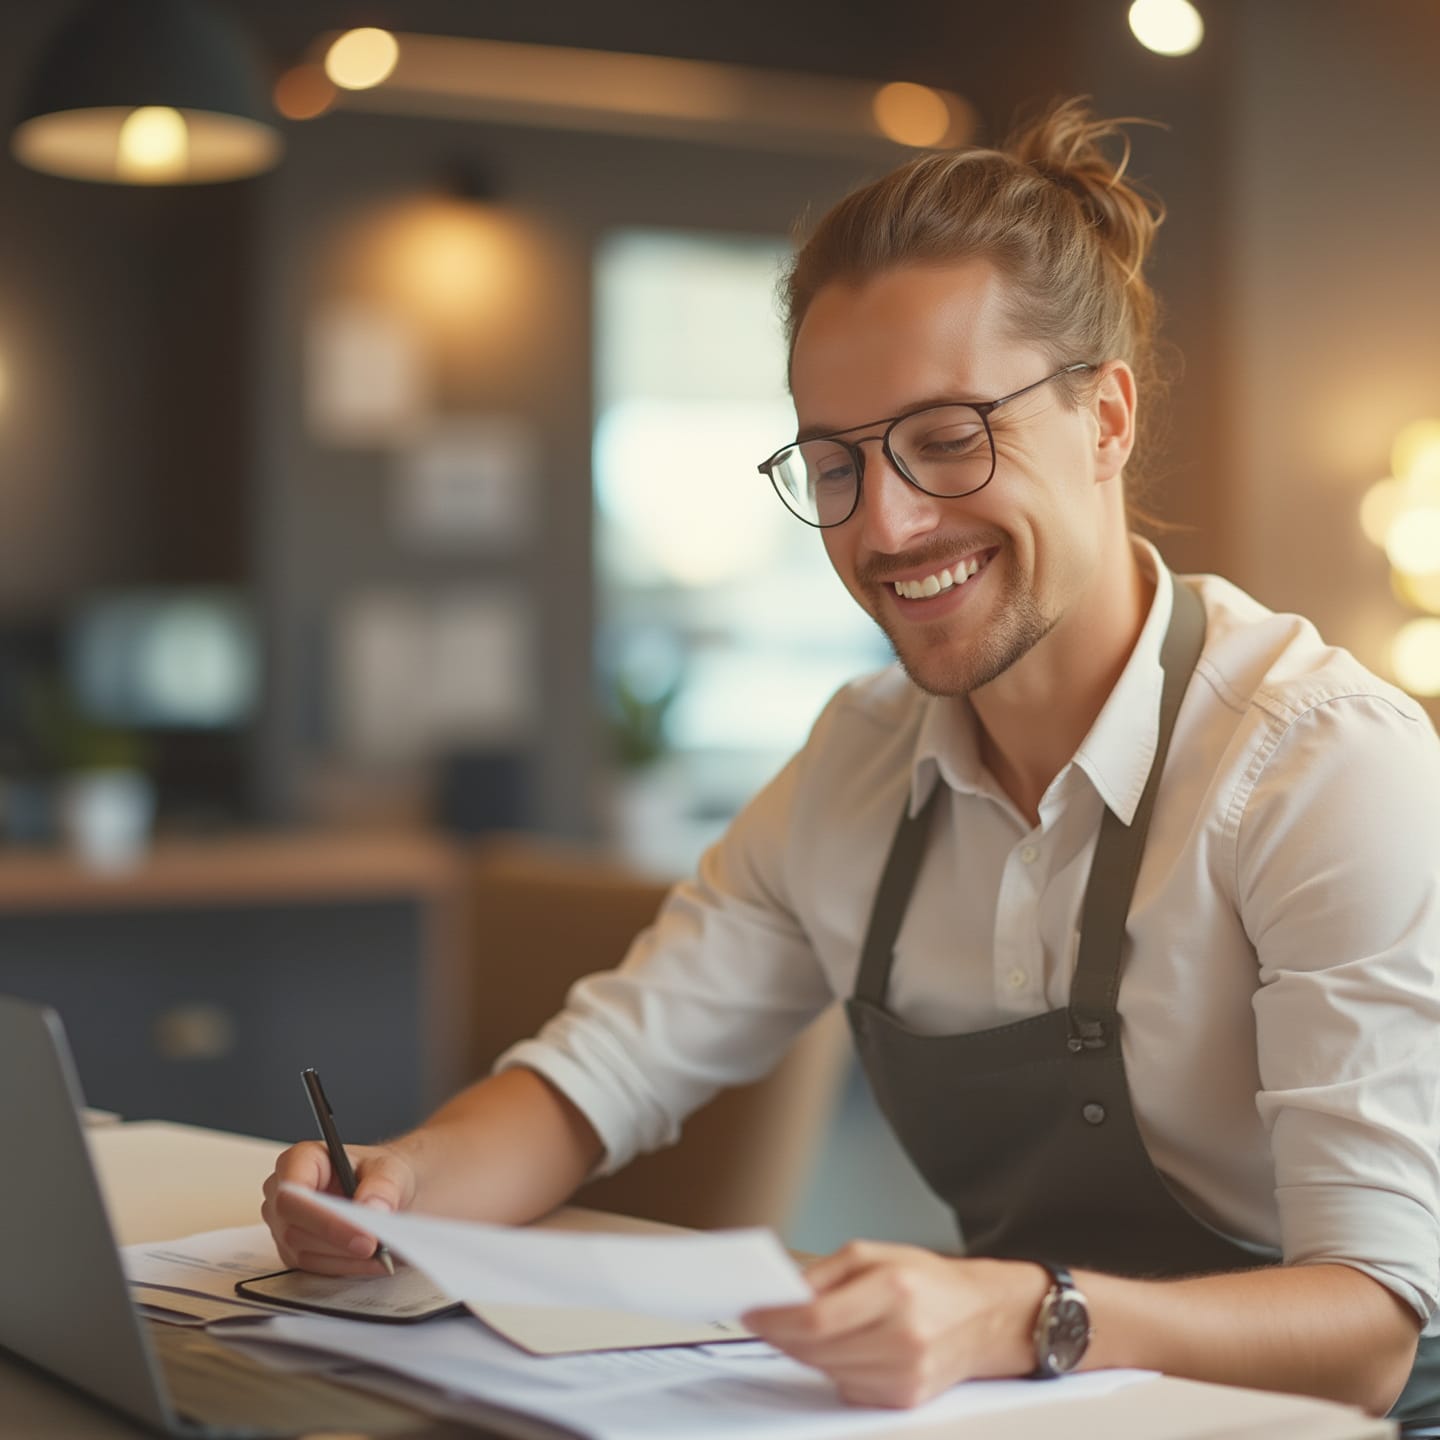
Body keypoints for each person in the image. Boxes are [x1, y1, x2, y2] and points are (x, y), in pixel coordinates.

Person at [262, 97, 1440, 1420]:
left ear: (1106, 419)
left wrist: (1023, 1311)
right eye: (835, 465)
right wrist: (400, 1191)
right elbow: (599, 1081)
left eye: (948, 439)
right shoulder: (857, 763)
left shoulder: (1321, 766)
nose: (885, 524)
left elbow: (1368, 1328)